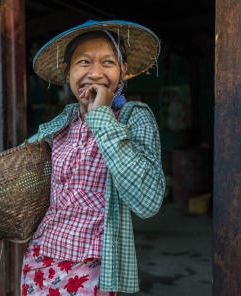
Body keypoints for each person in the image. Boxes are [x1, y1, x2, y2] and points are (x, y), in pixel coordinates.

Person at [19, 20, 165, 295]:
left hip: (91, 270)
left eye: (108, 62)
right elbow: (20, 176)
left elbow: (148, 201)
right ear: (68, 71)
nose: (95, 73)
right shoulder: (63, 123)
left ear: (124, 71)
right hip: (40, 261)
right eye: (84, 62)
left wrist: (101, 116)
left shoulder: (135, 118)